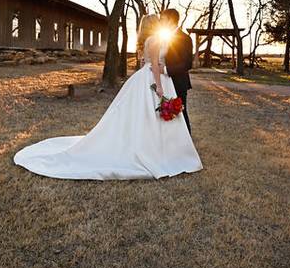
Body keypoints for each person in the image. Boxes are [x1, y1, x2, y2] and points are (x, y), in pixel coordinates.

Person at [13, 14, 202, 180]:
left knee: (145, 116)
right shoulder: (155, 41)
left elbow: (147, 62)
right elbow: (153, 66)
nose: (160, 23)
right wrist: (159, 88)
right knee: (151, 115)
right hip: (155, 79)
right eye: (157, 21)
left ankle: (158, 147)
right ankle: (155, 150)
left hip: (148, 77)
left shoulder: (147, 40)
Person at [160, 8, 194, 131]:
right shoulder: (162, 37)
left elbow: (187, 64)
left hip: (178, 82)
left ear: (170, 20)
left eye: (163, 19)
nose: (161, 22)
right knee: (165, 112)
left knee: (181, 113)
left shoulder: (185, 38)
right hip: (164, 83)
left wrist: (165, 70)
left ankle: (187, 143)